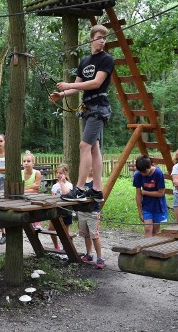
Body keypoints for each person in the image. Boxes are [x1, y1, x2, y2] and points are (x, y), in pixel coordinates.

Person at [49, 24, 114, 207]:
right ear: (91, 38)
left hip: (99, 108)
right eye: (100, 37)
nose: (102, 40)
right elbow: (77, 85)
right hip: (87, 108)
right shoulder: (85, 61)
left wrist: (69, 86)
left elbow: (95, 83)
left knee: (84, 145)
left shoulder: (106, 59)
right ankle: (97, 189)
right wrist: (61, 94)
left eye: (105, 38)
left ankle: (78, 189)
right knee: (93, 148)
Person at [133, 155, 167, 237]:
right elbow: (138, 194)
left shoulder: (158, 173)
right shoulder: (138, 175)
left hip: (158, 206)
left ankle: (153, 248)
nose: (142, 174)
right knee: (148, 229)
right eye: (140, 172)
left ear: (149, 166)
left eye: (144, 172)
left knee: (155, 231)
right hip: (147, 206)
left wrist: (145, 192)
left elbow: (161, 193)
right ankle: (146, 248)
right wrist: (140, 212)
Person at [48, 164, 73, 250]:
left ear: (65, 174)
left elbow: (66, 194)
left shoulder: (69, 185)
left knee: (65, 233)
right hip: (56, 211)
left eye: (60, 173)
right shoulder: (55, 186)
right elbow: (52, 198)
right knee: (51, 229)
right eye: (57, 173)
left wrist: (62, 183)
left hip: (66, 211)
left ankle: (67, 249)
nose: (58, 175)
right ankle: (56, 246)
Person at [22, 151, 43, 230]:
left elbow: (36, 190)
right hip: (22, 197)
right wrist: (31, 187)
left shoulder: (37, 173)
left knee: (36, 203)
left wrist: (24, 190)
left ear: (33, 163)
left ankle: (37, 222)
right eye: (24, 161)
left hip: (34, 196)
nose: (26, 163)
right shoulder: (20, 173)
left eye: (28, 161)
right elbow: (19, 191)